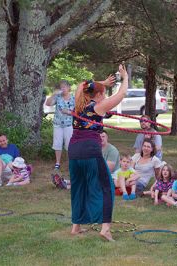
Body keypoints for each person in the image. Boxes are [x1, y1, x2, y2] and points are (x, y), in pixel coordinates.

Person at [68, 64, 127, 242]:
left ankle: (76, 227)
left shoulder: (78, 105)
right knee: (106, 187)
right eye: (103, 93)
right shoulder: (97, 107)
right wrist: (125, 78)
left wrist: (100, 83)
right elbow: (121, 95)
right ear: (99, 95)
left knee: (79, 187)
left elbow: (81, 85)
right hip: (90, 150)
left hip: (73, 151)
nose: (105, 96)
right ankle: (106, 229)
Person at [45, 80, 75, 170]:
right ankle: (57, 163)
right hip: (57, 124)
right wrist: (53, 94)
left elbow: (78, 112)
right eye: (61, 87)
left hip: (68, 125)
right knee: (57, 143)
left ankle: (71, 163)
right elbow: (47, 103)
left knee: (69, 144)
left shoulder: (73, 98)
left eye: (65, 87)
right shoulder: (57, 97)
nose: (63, 89)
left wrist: (69, 112)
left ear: (69, 88)